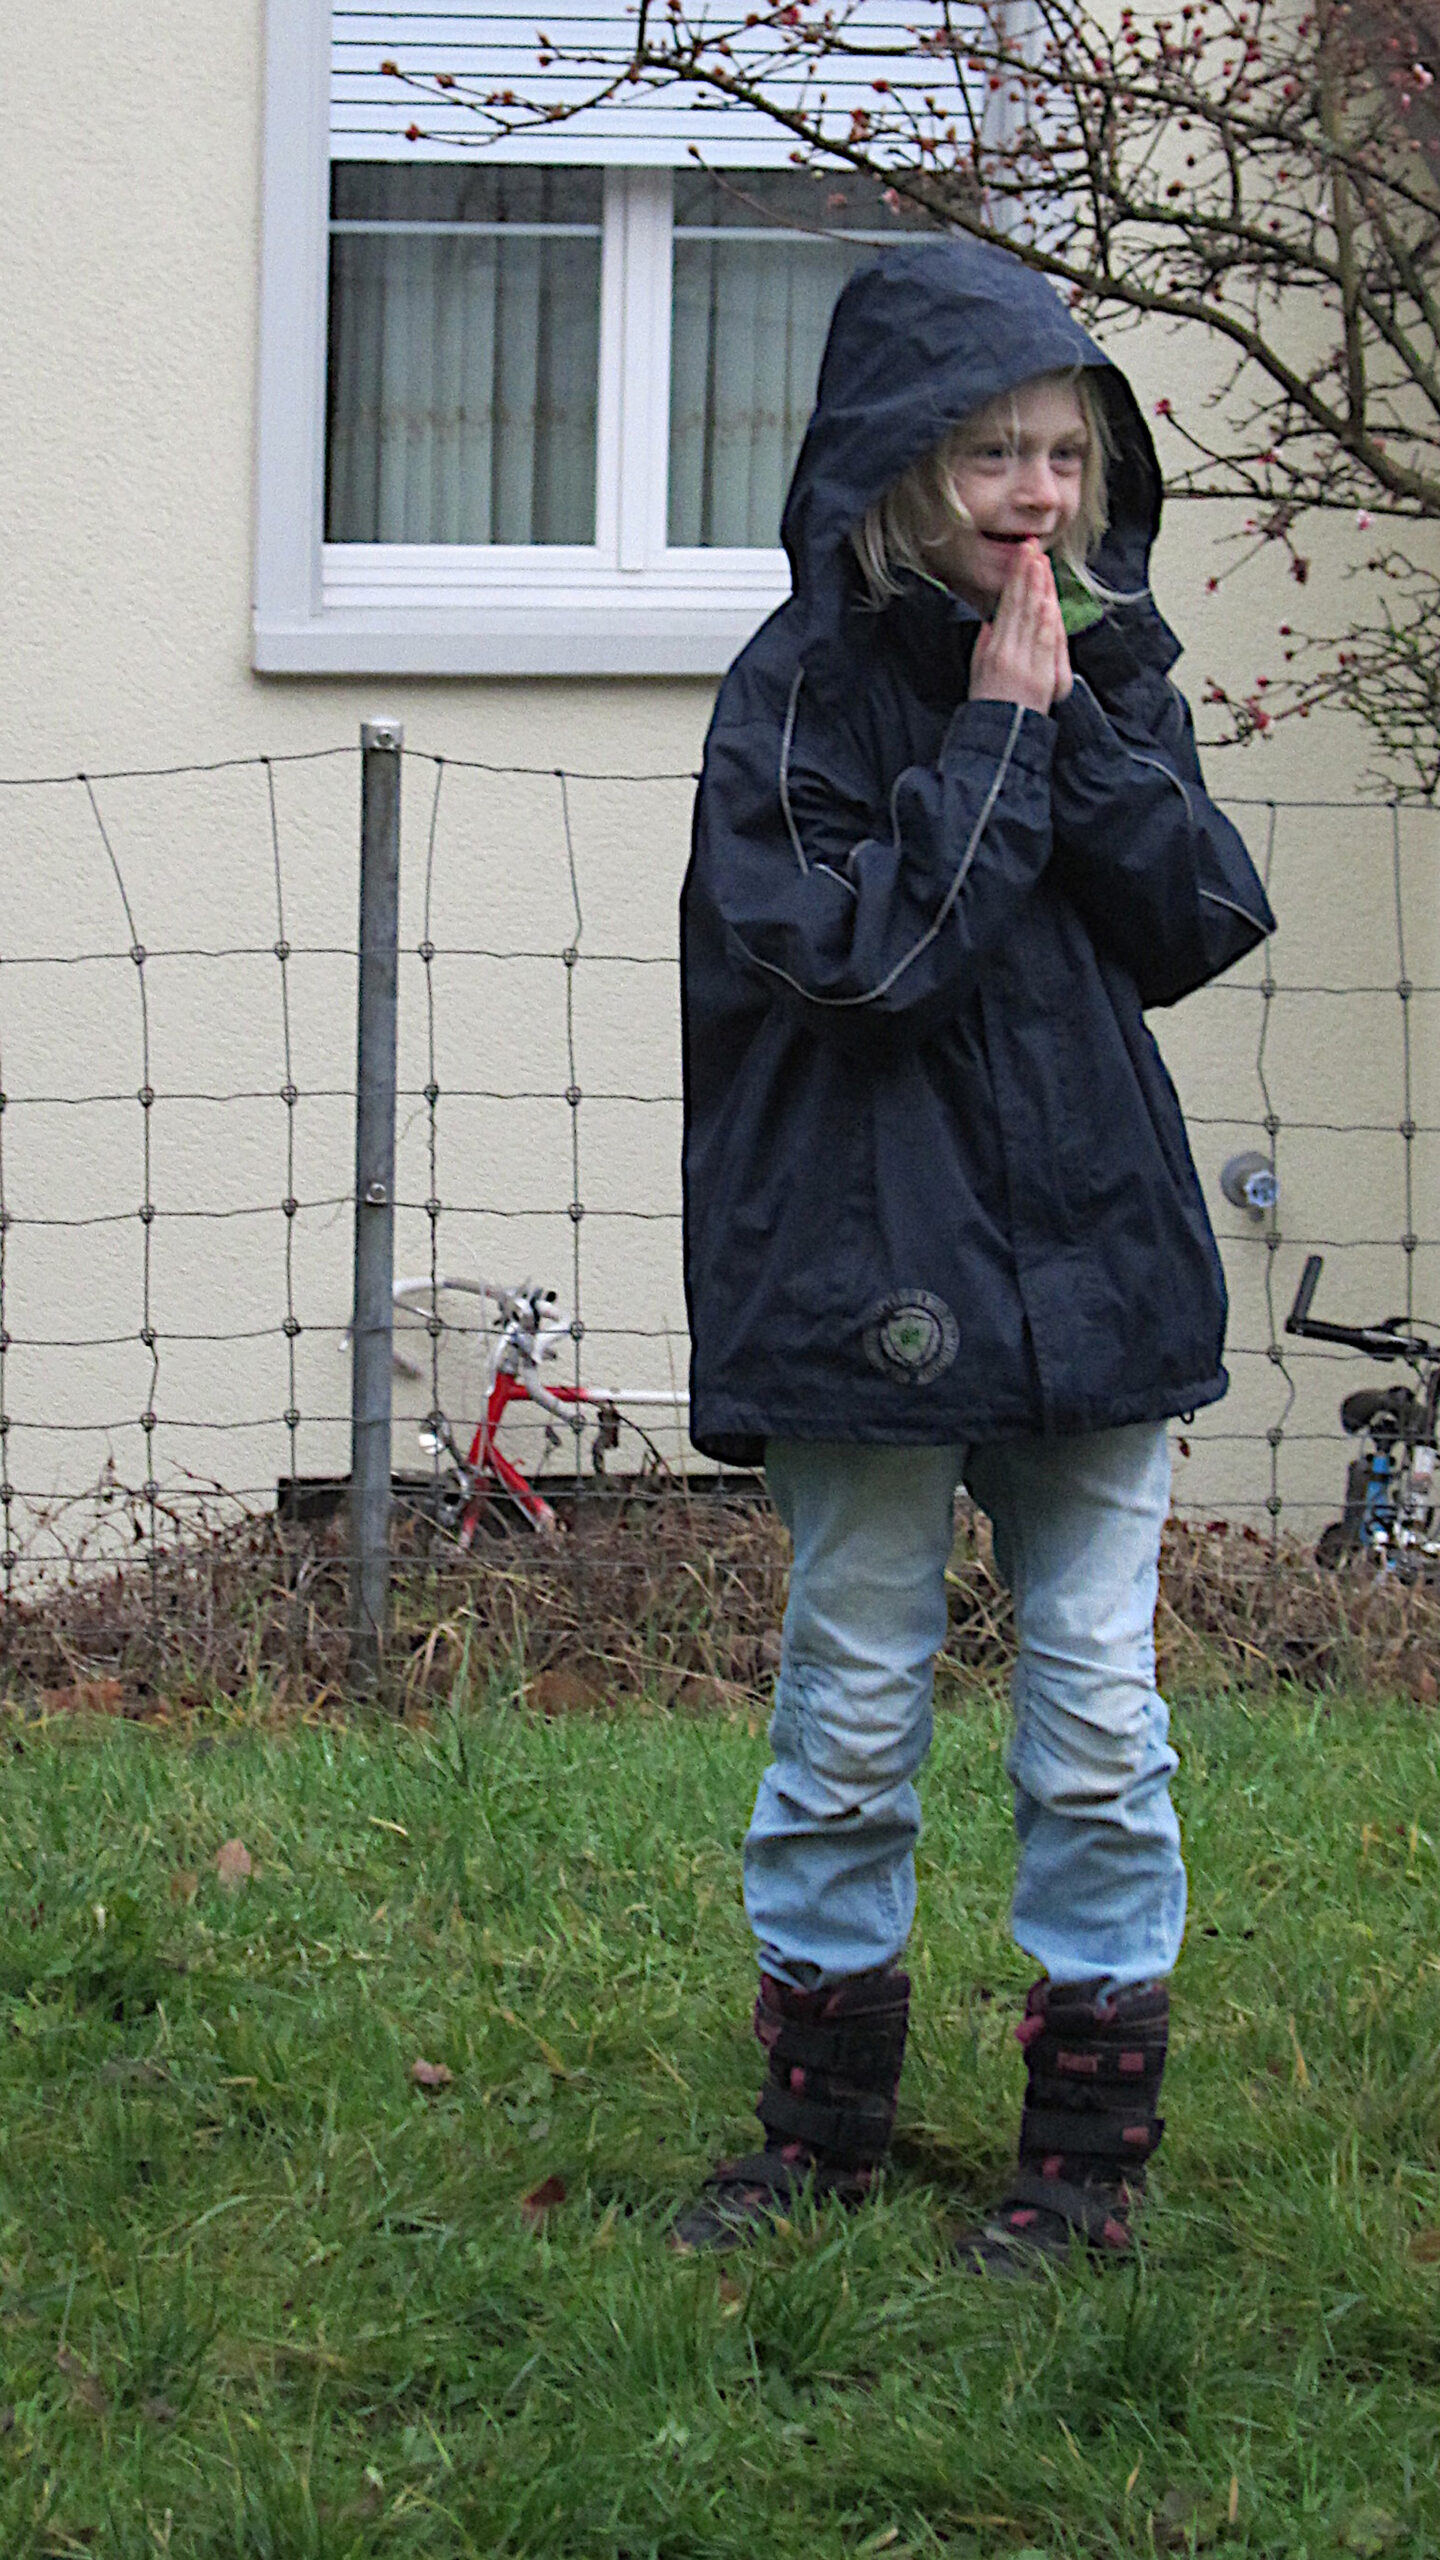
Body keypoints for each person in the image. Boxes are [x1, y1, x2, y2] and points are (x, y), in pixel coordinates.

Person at [673, 234, 1274, 2270]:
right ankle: (818, 2135)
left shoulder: (1110, 661)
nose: (1038, 493)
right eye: (994, 453)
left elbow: (1198, 918)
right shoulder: (792, 700)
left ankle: (1087, 2159)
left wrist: (1069, 715)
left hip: (1095, 1260)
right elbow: (870, 966)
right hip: (867, 1276)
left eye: (1067, 453)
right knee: (854, 1702)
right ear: (900, 469)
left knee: (1098, 1713)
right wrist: (998, 738)